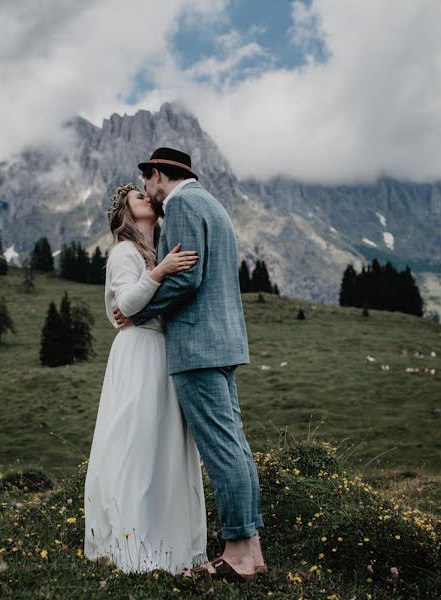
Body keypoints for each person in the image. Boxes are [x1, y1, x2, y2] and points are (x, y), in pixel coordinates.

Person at [114, 147, 267, 582]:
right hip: (224, 342)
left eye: (147, 182)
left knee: (222, 450)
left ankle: (237, 553)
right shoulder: (211, 203)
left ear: (159, 175)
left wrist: (139, 313)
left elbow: (185, 276)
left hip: (197, 347)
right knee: (235, 446)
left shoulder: (180, 204)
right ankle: (251, 549)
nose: (146, 191)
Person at [83, 183, 207, 574]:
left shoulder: (153, 250)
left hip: (160, 350)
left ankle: (168, 536)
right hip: (138, 350)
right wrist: (160, 271)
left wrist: (160, 269)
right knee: (137, 440)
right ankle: (134, 540)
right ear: (126, 213)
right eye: (138, 197)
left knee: (163, 442)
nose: (147, 198)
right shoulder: (124, 251)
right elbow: (127, 305)